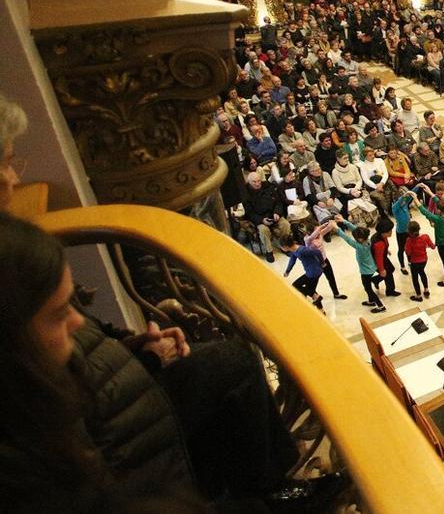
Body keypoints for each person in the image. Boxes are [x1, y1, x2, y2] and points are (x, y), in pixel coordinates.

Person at [0, 213, 334, 510]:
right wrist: (145, 364)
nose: (76, 321)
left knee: (234, 360)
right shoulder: (29, 455)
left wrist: (134, 346)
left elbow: (91, 333)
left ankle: (272, 486)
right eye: (59, 315)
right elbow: (91, 449)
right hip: (120, 436)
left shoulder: (29, 347)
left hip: (120, 389)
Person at [334, 218, 386, 313]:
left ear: (360, 239)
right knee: (369, 286)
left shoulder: (360, 246)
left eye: (356, 237)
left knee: (368, 289)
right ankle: (371, 301)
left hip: (366, 272)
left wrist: (337, 229)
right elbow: (356, 229)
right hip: (372, 267)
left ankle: (380, 306)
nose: (354, 238)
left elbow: (347, 239)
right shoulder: (368, 240)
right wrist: (343, 221)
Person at [416, 184, 444, 287]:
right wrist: (430, 192)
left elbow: (425, 211)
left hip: (442, 243)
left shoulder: (438, 220)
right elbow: (438, 202)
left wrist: (415, 198)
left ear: (439, 210)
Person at [404, 220, 435, 301]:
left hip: (414, 262)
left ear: (409, 231)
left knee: (415, 278)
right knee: (422, 272)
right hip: (424, 260)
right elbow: (433, 246)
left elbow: (408, 252)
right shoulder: (425, 237)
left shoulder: (409, 240)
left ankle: (418, 295)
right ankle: (426, 289)